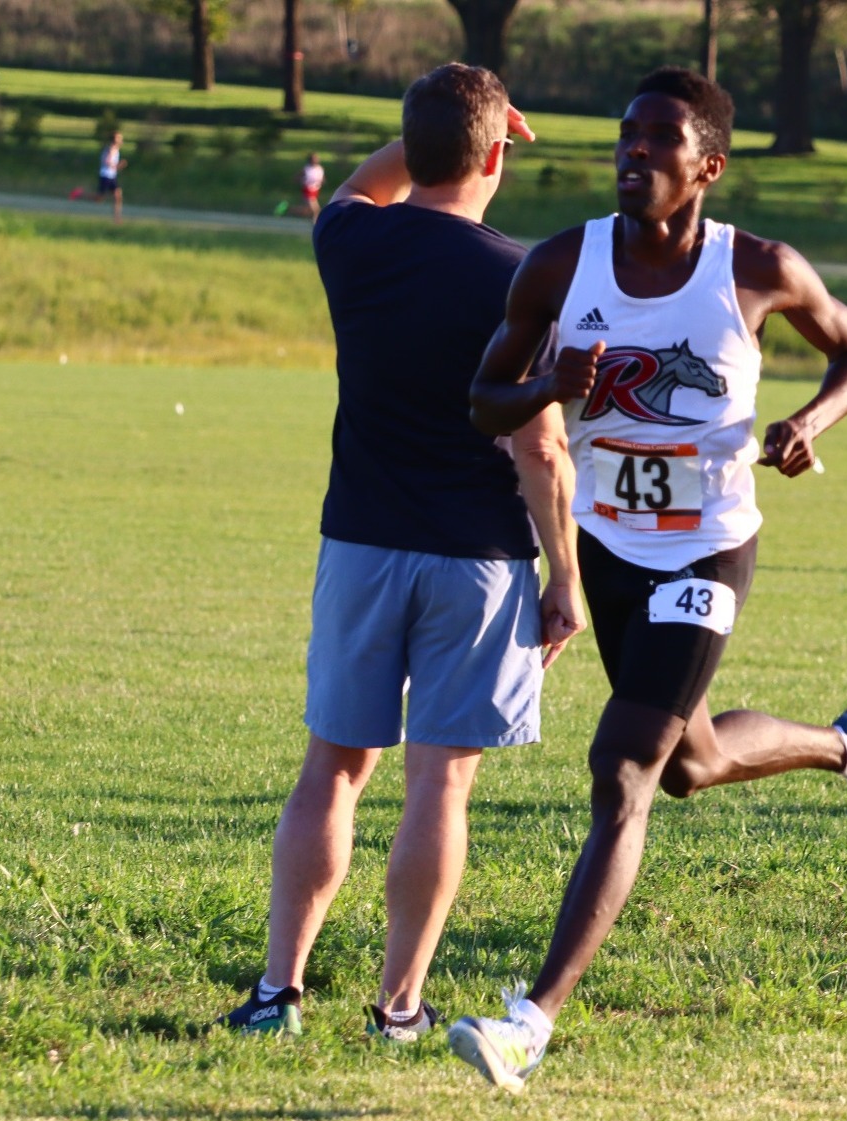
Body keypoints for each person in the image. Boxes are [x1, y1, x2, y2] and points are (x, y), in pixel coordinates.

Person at [450, 67, 847, 1091]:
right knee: (688, 762)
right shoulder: (560, 264)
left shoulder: (753, 267)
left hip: (706, 548)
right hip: (610, 548)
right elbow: (484, 401)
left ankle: (528, 1023)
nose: (633, 154)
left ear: (705, 166)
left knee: (623, 766)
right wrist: (543, 386)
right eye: (625, 137)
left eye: (659, 141)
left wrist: (805, 421)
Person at [215, 64, 576, 1043]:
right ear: (499, 154)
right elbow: (538, 445)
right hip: (479, 560)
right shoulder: (522, 278)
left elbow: (360, 189)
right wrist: (566, 582)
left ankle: (276, 993)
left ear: (410, 150)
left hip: (360, 548)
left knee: (331, 767)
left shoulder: (351, 242)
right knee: (439, 783)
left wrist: (437, 136)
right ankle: (397, 1008)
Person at [97, 131, 125, 224]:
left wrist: (117, 167)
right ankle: (79, 194)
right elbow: (107, 161)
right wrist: (118, 166)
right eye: (119, 138)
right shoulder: (111, 149)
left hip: (112, 176)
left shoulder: (115, 149)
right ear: (115, 139)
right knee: (99, 199)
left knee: (118, 195)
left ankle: (117, 219)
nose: (121, 140)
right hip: (105, 176)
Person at [297, 152, 325, 218]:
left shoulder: (320, 169)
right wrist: (303, 181)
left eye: (317, 158)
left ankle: (287, 209)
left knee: (306, 211)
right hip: (308, 191)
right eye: (314, 158)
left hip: (316, 191)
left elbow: (322, 178)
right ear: (310, 160)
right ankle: (316, 225)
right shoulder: (307, 169)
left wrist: (322, 181)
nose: (316, 159)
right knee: (316, 210)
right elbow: (297, 177)